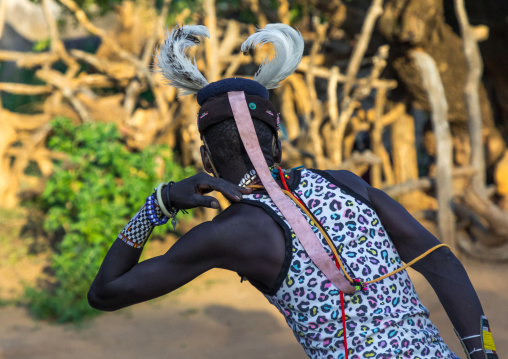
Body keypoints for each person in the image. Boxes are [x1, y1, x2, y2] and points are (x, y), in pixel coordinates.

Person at [87, 24, 497, 359]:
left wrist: (159, 204)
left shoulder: (230, 232)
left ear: (206, 159)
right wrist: (485, 355)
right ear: (277, 146)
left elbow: (105, 293)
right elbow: (440, 260)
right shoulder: (346, 184)